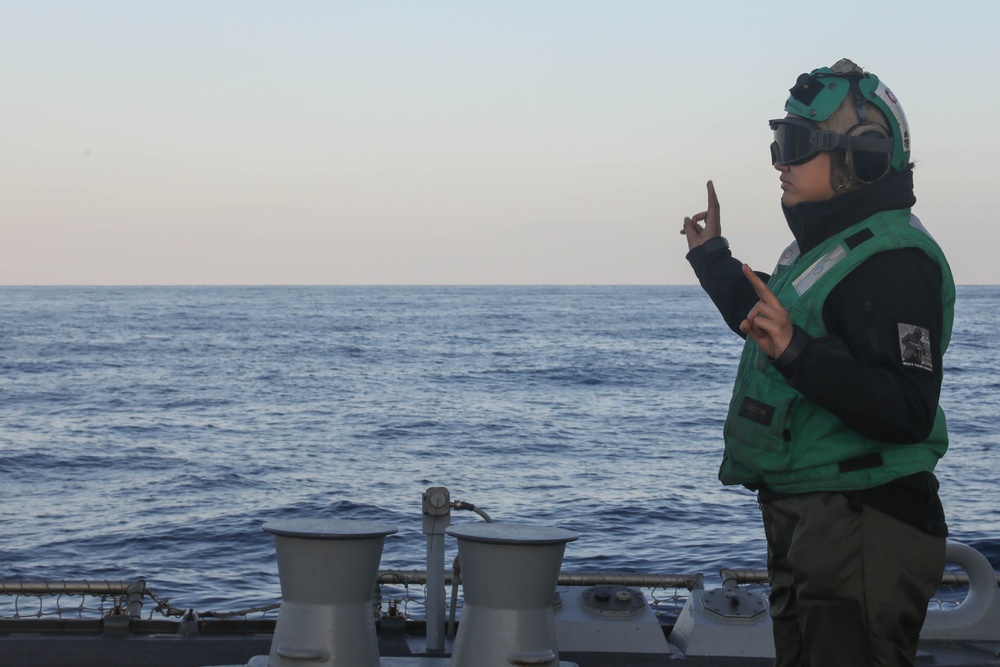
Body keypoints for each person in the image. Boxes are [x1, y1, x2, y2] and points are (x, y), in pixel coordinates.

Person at [680, 58, 955, 667]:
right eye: (779, 140)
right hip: (815, 519)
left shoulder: (895, 261)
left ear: (865, 156)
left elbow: (907, 409)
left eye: (797, 144)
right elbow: (773, 328)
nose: (779, 159)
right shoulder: (824, 252)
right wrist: (714, 261)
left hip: (864, 523)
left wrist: (799, 353)